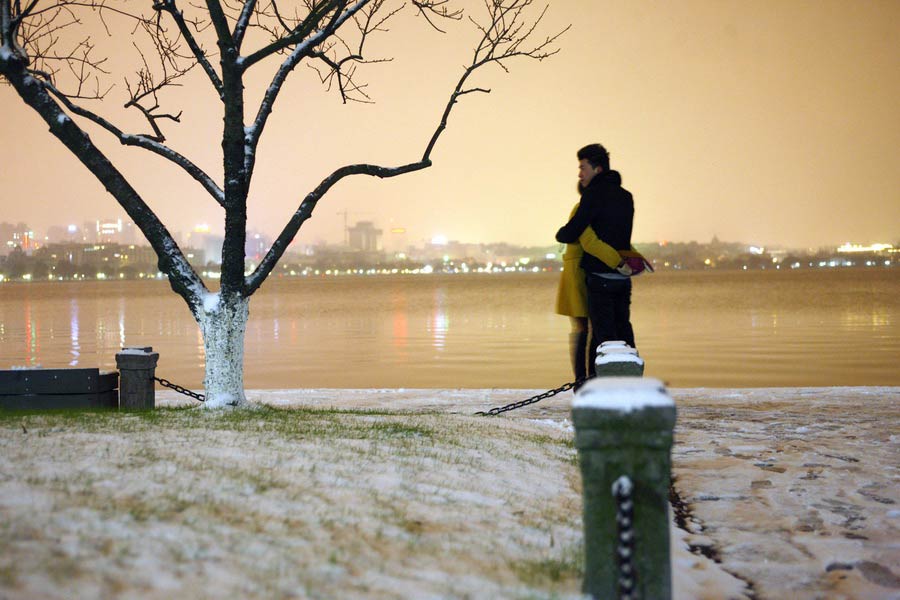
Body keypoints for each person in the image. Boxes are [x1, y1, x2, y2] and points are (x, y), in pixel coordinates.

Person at [556, 143, 636, 377]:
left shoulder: (589, 203)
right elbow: (621, 238)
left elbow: (586, 240)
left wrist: (620, 262)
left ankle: (587, 381)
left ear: (597, 170)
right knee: (618, 330)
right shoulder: (625, 197)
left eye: (583, 168)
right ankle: (620, 377)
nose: (580, 174)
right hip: (613, 276)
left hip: (592, 274)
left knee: (594, 333)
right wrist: (628, 261)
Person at [555, 207, 623, 383]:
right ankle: (583, 379)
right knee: (583, 328)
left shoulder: (592, 209)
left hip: (585, 272)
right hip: (579, 273)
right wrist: (620, 261)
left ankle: (586, 378)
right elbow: (590, 242)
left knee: (586, 328)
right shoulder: (584, 208)